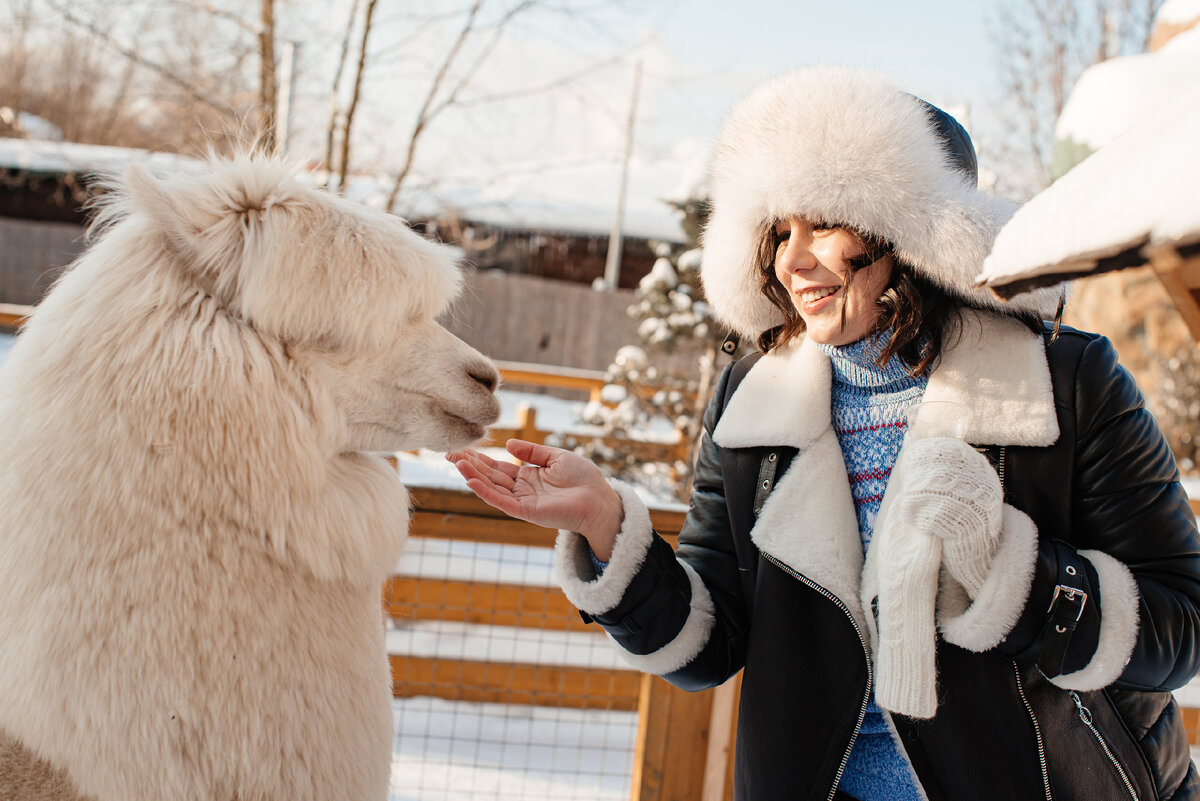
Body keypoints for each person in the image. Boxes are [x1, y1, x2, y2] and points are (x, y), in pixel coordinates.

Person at [448, 66, 1200, 801]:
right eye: (779, 230)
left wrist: (1011, 572)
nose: (793, 258)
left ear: (907, 234)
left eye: (827, 222)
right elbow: (710, 641)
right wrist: (606, 525)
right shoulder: (756, 396)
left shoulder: (1065, 382)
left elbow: (1183, 628)